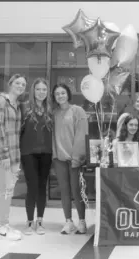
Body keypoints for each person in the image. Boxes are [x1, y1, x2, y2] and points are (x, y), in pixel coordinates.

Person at [0, 74, 27, 240]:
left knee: (8, 191)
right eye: (17, 83)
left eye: (23, 84)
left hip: (13, 155)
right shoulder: (0, 102)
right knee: (4, 191)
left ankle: (5, 224)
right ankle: (1, 228)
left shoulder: (16, 105)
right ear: (10, 84)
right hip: (2, 155)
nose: (20, 86)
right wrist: (4, 154)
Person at [51, 83, 89, 235]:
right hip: (59, 158)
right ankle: (68, 221)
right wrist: (54, 155)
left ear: (68, 94)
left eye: (63, 93)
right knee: (64, 191)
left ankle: (82, 221)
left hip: (74, 159)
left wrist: (77, 157)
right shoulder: (53, 113)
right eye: (57, 94)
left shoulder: (78, 111)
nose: (60, 96)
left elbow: (81, 135)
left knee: (77, 190)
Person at [20, 78, 53, 235]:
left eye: (44, 90)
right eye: (38, 89)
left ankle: (39, 221)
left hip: (46, 153)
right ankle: (29, 222)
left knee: (42, 187)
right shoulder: (24, 108)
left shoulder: (50, 110)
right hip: (28, 153)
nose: (41, 92)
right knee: (32, 186)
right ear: (33, 91)